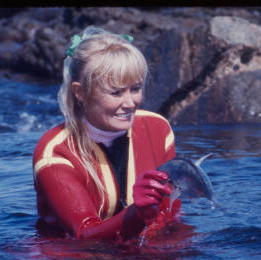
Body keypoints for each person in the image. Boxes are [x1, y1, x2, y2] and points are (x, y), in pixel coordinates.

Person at [33, 26, 179, 241]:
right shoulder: (55, 152)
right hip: (73, 259)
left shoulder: (158, 128)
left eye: (135, 89)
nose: (130, 103)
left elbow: (169, 215)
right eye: (116, 92)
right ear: (80, 92)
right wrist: (137, 212)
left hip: (140, 246)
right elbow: (85, 234)